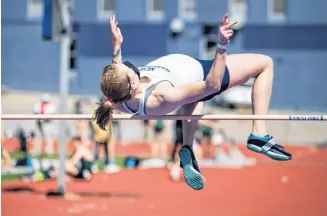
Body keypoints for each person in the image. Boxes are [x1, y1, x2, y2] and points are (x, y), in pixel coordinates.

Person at [93, 14, 292, 190]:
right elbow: (211, 86)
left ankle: (187, 148)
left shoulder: (117, 94)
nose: (128, 66)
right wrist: (221, 44)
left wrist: (117, 45)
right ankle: (259, 133)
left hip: (183, 79)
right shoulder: (161, 96)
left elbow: (117, 69)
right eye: (128, 70)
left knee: (190, 97)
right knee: (265, 63)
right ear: (133, 83)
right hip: (205, 73)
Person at [91, 97, 119, 173]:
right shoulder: (96, 110)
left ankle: (107, 164)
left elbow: (115, 117)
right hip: (99, 134)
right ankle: (93, 164)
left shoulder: (109, 110)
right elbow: (94, 122)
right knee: (96, 151)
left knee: (107, 151)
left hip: (106, 134)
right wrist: (96, 132)